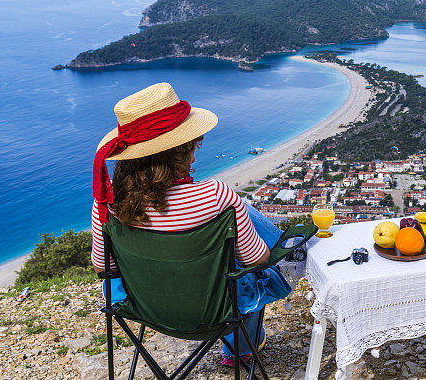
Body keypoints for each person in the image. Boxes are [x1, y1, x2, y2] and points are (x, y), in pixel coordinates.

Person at [90, 82, 292, 367]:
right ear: (184, 150)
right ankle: (239, 350)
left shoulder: (106, 203)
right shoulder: (215, 195)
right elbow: (256, 259)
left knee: (236, 220)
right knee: (250, 255)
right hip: (214, 313)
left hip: (146, 308)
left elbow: (104, 268)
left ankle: (287, 244)